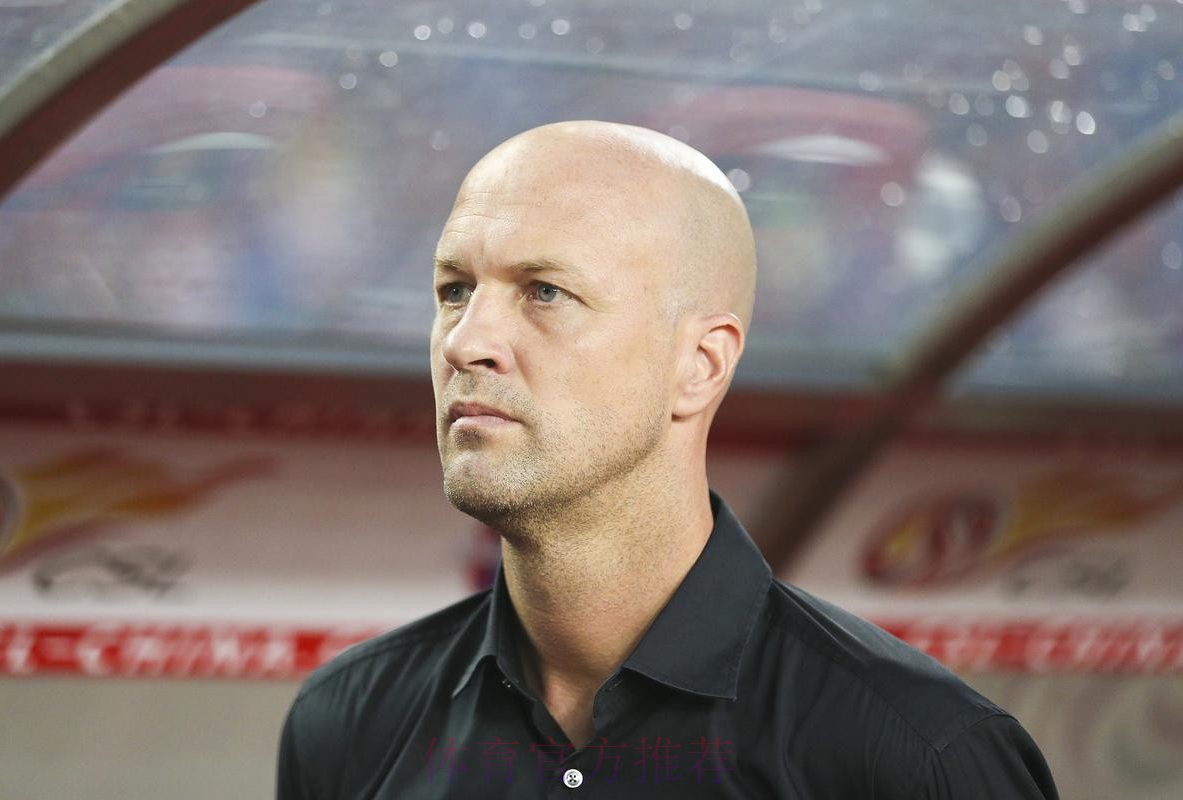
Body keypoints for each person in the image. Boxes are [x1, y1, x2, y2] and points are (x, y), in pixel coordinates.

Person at [277, 121, 1058, 798]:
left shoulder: (918, 755)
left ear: (700, 365)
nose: (465, 342)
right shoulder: (350, 723)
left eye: (545, 292)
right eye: (453, 290)